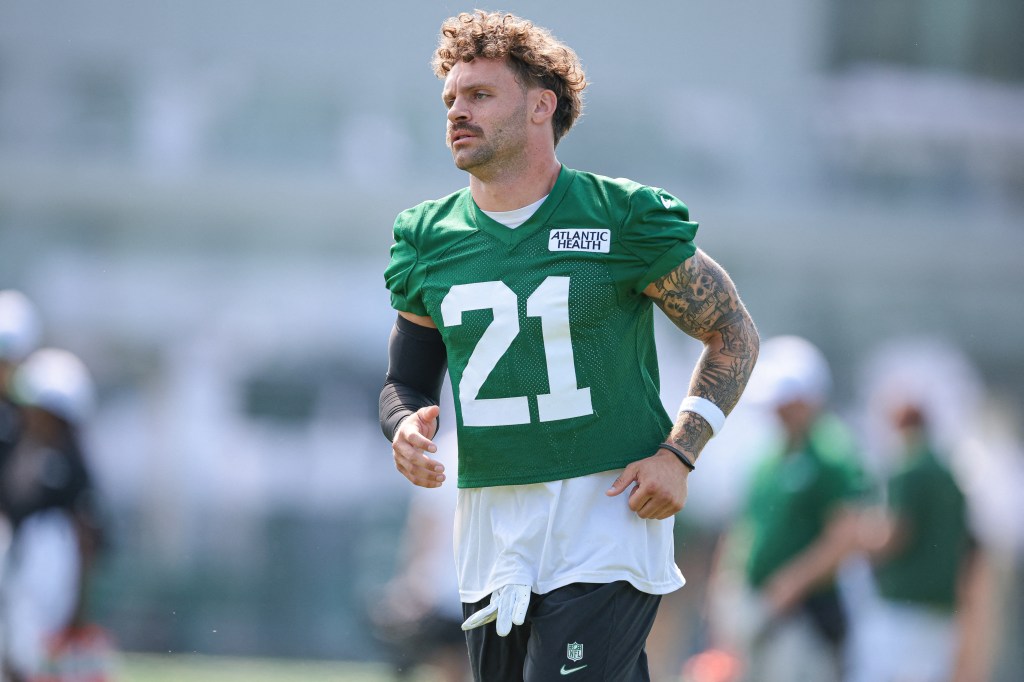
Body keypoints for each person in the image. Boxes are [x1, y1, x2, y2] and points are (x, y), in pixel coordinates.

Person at [378, 10, 759, 681]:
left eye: (480, 95)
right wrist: (404, 425)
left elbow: (732, 332)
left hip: (605, 519)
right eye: (451, 99)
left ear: (540, 107)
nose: (457, 112)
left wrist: (681, 452)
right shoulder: (427, 237)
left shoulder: (621, 217)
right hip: (494, 532)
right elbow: (405, 380)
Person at [708, 335, 865, 682]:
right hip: (757, 611)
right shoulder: (768, 456)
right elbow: (745, 527)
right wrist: (725, 591)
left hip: (803, 616)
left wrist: (788, 586)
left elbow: (845, 534)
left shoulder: (831, 453)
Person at [848, 386, 990, 682]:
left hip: (903, 605)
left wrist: (856, 537)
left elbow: (895, 536)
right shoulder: (949, 473)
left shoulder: (908, 469)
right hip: (942, 606)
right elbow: (969, 546)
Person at [0, 348, 111, 682]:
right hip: (13, 567)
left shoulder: (71, 471)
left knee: (31, 656)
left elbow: (87, 542)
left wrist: (79, 613)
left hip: (44, 573)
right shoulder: (17, 451)